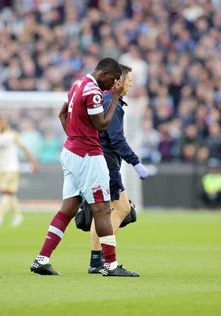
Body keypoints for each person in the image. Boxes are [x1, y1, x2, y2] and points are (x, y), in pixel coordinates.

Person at [30, 57, 138, 277]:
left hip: (70, 152)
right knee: (102, 209)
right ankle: (110, 266)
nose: (113, 87)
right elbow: (102, 124)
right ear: (106, 75)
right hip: (88, 156)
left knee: (68, 208)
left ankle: (42, 259)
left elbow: (62, 113)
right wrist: (116, 97)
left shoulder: (78, 83)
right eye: (113, 82)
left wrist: (74, 136)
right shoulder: (93, 91)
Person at [88, 64, 148, 274]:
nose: (131, 85)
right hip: (107, 163)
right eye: (129, 81)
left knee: (102, 212)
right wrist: (135, 162)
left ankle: (96, 261)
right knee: (122, 209)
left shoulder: (104, 99)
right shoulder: (111, 103)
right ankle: (107, 260)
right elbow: (116, 139)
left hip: (99, 161)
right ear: (119, 80)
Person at [0, 114, 39, 227]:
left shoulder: (13, 135)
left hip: (12, 168)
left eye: (4, 121)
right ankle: (18, 216)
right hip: (0, 169)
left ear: (7, 122)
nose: (2, 123)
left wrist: (33, 162)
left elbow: (24, 149)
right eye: (0, 121)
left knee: (5, 192)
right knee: (10, 193)